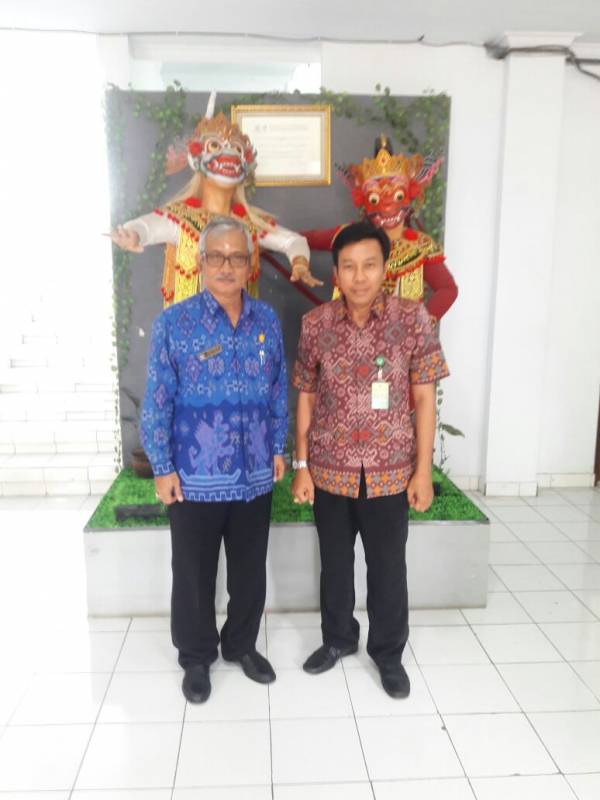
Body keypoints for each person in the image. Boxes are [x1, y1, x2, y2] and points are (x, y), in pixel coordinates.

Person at [291, 221, 449, 698]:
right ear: (336, 272)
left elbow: (424, 399)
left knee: (388, 567)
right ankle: (338, 639)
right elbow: (306, 397)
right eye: (349, 266)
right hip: (330, 470)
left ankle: (388, 653)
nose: (359, 277)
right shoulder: (315, 325)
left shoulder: (414, 319)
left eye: (369, 265)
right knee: (335, 565)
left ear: (385, 268)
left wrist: (422, 471)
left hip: (390, 472)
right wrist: (302, 466)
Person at [141, 215, 287, 703]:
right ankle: (196, 656)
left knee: (249, 570)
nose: (227, 266)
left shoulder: (266, 321)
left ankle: (241, 645)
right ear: (201, 262)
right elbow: (157, 400)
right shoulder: (174, 324)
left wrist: (278, 446)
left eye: (237, 257)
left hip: (254, 475)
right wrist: (162, 467)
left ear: (250, 264)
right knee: (193, 573)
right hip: (193, 478)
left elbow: (278, 389)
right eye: (217, 257)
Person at [111, 93, 321, 307]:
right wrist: (133, 234)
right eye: (215, 146)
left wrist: (299, 263)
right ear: (197, 159)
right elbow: (146, 227)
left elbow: (293, 241)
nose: (228, 154)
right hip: (190, 324)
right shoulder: (181, 219)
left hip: (238, 323)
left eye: (237, 149)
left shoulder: (249, 223)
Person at [303, 136, 457, 319]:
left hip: (402, 333)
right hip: (350, 330)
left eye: (398, 197)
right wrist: (277, 239)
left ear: (409, 196)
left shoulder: (421, 246)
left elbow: (447, 289)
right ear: (365, 202)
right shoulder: (349, 236)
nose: (387, 206)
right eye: (375, 199)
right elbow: (307, 239)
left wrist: (422, 323)